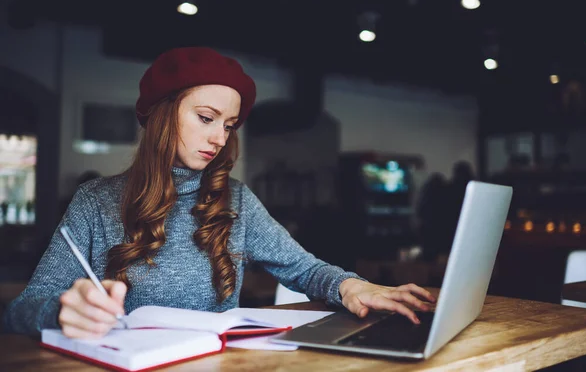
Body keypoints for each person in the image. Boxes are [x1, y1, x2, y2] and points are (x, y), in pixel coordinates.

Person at [3, 47, 435, 338]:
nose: (218, 138)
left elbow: (304, 269)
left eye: (228, 126)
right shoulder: (95, 201)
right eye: (206, 117)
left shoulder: (237, 200)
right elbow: (19, 310)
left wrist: (350, 287)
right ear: (160, 115)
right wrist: (61, 311)